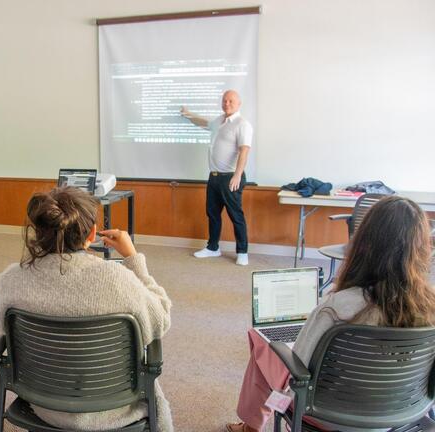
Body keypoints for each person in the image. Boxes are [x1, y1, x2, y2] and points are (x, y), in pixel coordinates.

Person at [227, 196, 435, 432]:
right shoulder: (431, 307)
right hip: (401, 415)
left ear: (364, 243)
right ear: (421, 248)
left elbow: (300, 367)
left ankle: (251, 427)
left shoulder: (337, 307)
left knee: (264, 345)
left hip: (325, 415)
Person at [0, 186, 174, 431]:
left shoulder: (11, 278)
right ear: (92, 234)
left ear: (38, 231)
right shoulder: (117, 279)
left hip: (44, 404)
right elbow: (161, 319)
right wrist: (133, 259)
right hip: (113, 406)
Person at [181, 90, 253, 265]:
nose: (227, 103)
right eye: (224, 100)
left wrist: (237, 175)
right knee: (213, 214)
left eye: (231, 101)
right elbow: (203, 122)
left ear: (239, 104)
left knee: (236, 215)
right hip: (214, 177)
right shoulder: (219, 121)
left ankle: (242, 252)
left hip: (231, 178)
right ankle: (213, 247)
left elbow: (244, 150)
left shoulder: (242, 124)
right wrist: (188, 114)